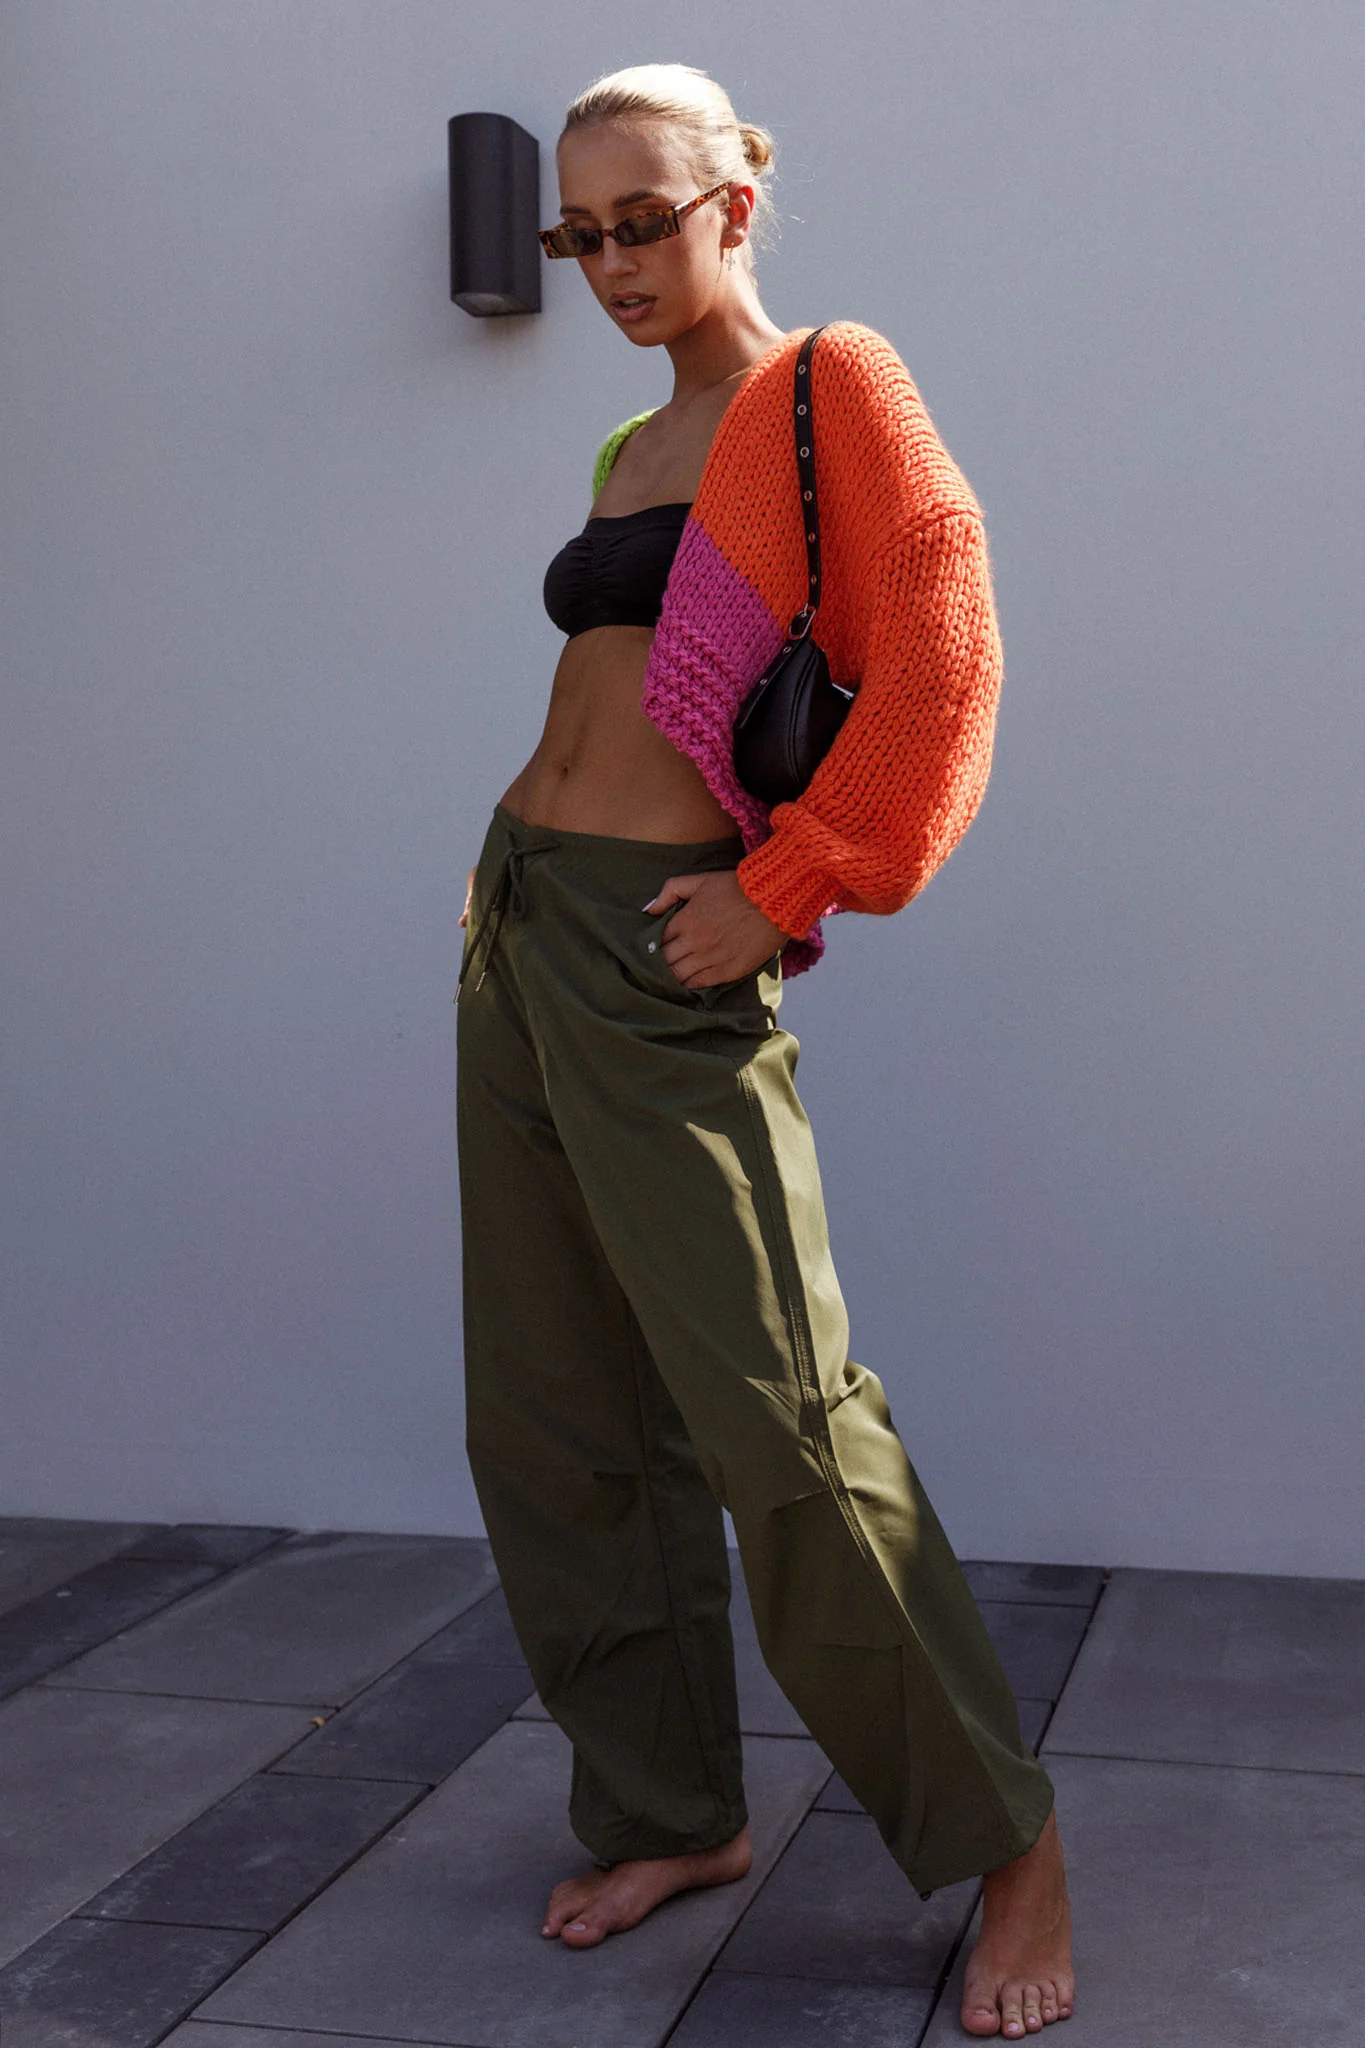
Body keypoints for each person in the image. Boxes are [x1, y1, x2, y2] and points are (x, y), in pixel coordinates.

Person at [455, 60, 1076, 2040]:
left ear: (739, 194)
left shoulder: (829, 389)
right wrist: (509, 887)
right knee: (554, 1412)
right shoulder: (633, 442)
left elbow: (946, 668)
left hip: (668, 954)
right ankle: (672, 1809)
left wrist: (789, 883)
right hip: (529, 929)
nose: (612, 262)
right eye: (580, 233)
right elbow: (615, 684)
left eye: (645, 218)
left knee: (783, 1419)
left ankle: (1008, 1843)